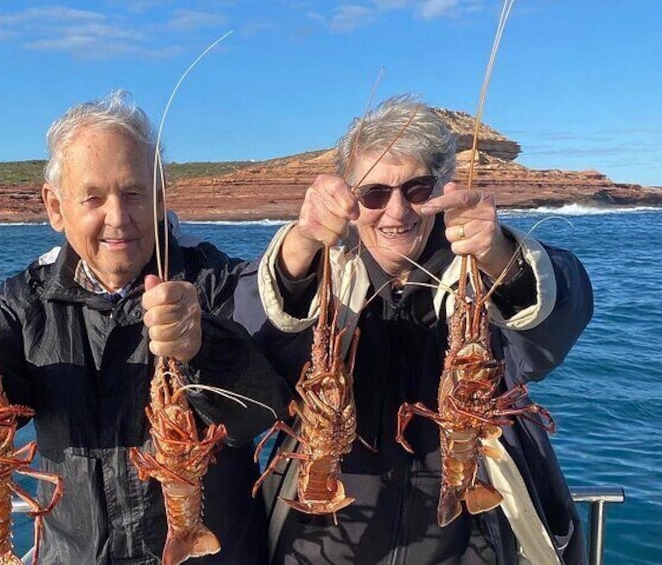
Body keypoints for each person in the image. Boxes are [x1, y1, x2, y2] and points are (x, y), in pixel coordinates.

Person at [0, 90, 290, 564]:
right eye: (93, 198)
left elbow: (261, 413)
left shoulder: (220, 281)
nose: (118, 219)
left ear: (160, 196)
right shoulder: (25, 301)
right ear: (56, 207)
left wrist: (204, 345)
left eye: (133, 193)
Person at [234, 95, 593, 564]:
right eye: (374, 194)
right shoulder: (323, 278)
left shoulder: (480, 277)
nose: (397, 212)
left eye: (418, 190)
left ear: (442, 191)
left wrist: (502, 258)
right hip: (319, 548)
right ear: (350, 200)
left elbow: (555, 323)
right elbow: (249, 337)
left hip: (469, 548)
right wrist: (298, 249)